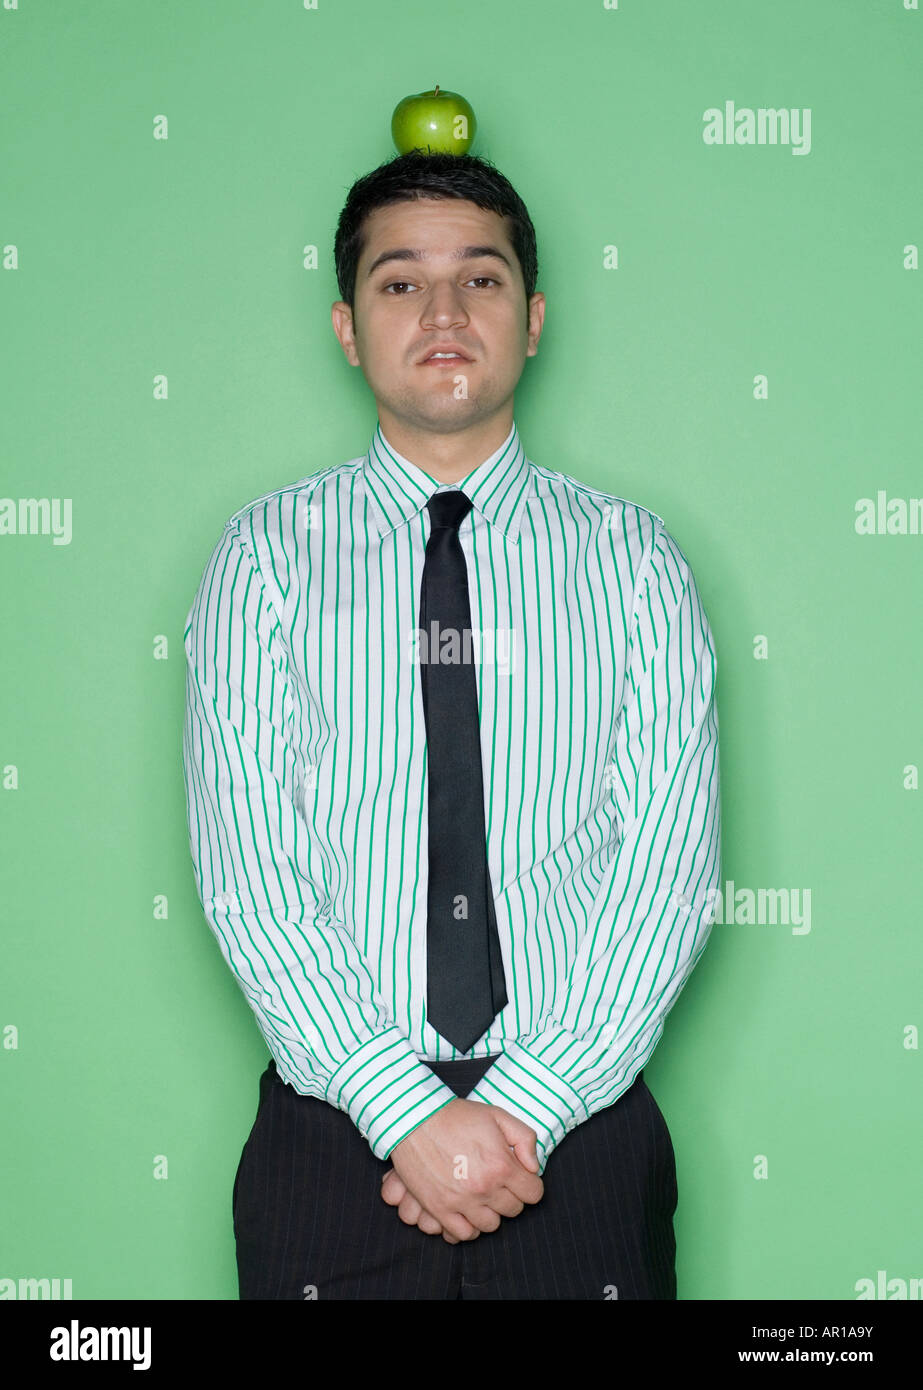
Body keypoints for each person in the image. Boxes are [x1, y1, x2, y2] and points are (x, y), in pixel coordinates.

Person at [181, 150, 721, 1300]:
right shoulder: (262, 559)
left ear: (529, 320)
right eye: (397, 282)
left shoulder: (632, 562)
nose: (440, 311)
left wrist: (519, 1109)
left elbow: (666, 869)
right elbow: (249, 875)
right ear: (345, 326)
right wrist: (406, 1111)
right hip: (333, 1147)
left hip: (578, 1139)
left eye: (477, 281)